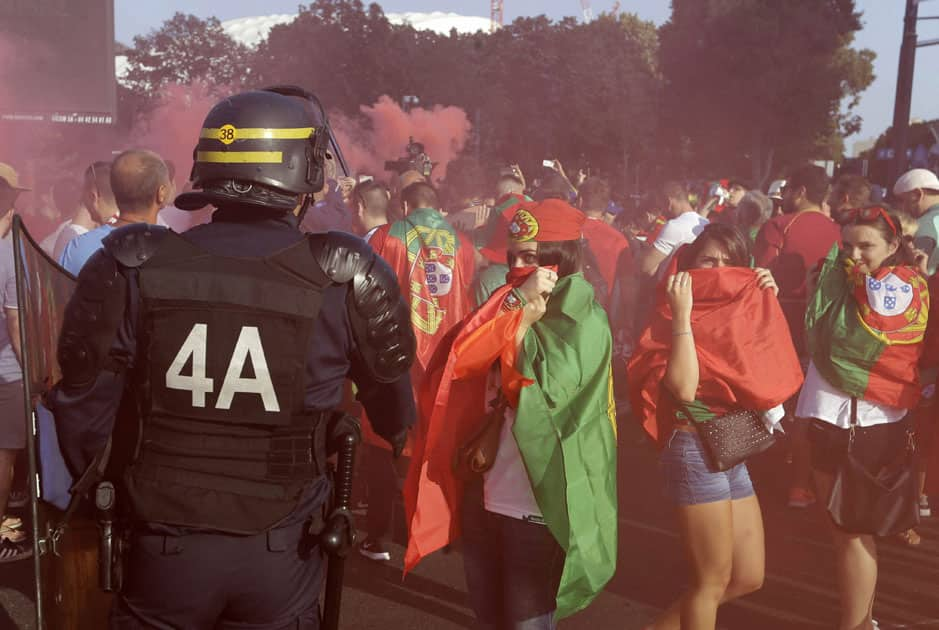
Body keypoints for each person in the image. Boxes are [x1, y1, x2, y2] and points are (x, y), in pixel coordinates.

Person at [48, 87, 417, 629]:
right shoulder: (344, 272)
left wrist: (119, 493)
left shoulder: (130, 264)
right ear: (302, 171)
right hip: (280, 555)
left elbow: (81, 411)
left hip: (161, 545)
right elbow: (396, 415)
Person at [405, 198, 618, 629]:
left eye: (531, 258)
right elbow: (456, 363)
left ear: (562, 257)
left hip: (534, 504)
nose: (517, 267)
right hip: (483, 490)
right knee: (487, 619)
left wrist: (518, 328)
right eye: (513, 257)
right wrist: (512, 308)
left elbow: (546, 395)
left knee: (527, 623)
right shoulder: (511, 298)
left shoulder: (584, 318)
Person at [629, 223, 802, 630]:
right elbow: (684, 388)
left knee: (748, 577)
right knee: (710, 582)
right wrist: (683, 316)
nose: (720, 270)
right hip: (692, 447)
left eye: (730, 263)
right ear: (688, 265)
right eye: (709, 260)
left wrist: (765, 298)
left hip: (730, 445)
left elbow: (766, 363)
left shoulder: (739, 306)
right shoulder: (669, 309)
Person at [797, 204, 928, 630]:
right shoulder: (835, 277)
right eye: (847, 244)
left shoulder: (903, 286)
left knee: (851, 532)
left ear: (893, 246)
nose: (853, 254)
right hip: (829, 417)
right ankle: (862, 621)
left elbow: (874, 329)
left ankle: (856, 626)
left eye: (866, 246)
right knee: (846, 532)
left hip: (865, 423)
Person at [360, 180, 475, 560]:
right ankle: (436, 530)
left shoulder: (387, 238)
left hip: (396, 356)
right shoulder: (463, 244)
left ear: (405, 207)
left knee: (383, 445)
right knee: (438, 443)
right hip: (446, 359)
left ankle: (377, 536)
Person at [754, 164, 839, 509]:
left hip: (781, 324)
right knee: (809, 407)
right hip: (824, 331)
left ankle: (779, 476)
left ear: (800, 191)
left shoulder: (779, 225)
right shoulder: (840, 231)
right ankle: (803, 483)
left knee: (774, 402)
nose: (784, 195)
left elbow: (756, 276)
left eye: (788, 188)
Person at [57, 156, 164, 275]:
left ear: (94, 196)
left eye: (84, 196)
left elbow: (63, 291)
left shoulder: (78, 248)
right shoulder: (173, 246)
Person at [0, 166, 31, 562]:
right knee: (3, 455)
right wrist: (37, 376)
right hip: (6, 373)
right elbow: (17, 324)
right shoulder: (11, 256)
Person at [639, 180, 709, 279]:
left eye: (661, 206)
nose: (662, 212)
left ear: (668, 202)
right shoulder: (706, 223)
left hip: (669, 289)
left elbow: (646, 267)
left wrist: (638, 248)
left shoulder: (674, 226)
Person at [893, 168, 939, 274]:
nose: (900, 208)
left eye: (901, 200)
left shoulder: (920, 226)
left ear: (918, 195)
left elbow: (913, 276)